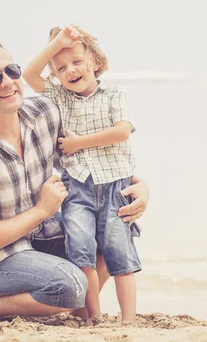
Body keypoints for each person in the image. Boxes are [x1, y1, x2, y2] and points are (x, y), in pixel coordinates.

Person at [0, 39, 149, 321]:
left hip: (36, 238)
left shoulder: (44, 114)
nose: (7, 82)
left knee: (117, 228)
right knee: (69, 285)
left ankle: (63, 303)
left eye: (12, 71)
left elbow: (86, 161)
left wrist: (140, 186)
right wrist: (42, 210)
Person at [21, 26, 140, 322]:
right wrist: (56, 45)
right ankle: (93, 317)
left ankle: (129, 320)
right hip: (78, 188)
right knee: (81, 250)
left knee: (120, 255)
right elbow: (29, 74)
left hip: (115, 186)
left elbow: (121, 132)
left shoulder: (114, 94)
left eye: (76, 62)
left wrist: (77, 144)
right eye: (61, 68)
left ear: (95, 63)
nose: (70, 71)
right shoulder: (61, 97)